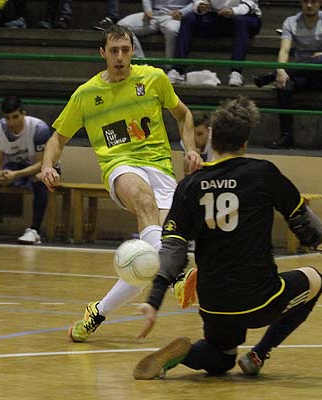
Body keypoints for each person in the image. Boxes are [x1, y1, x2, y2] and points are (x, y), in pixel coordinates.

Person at [131, 96, 322, 380]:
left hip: (214, 304)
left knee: (221, 358)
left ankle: (186, 354)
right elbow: (302, 222)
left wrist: (154, 299)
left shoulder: (190, 185)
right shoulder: (262, 173)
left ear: (212, 137)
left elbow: (173, 247)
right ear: (244, 144)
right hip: (261, 299)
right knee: (316, 279)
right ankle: (259, 354)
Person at [41, 25, 202, 343]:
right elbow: (57, 138)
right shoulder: (86, 94)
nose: (119, 57)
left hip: (160, 169)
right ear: (103, 53)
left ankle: (96, 313)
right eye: (113, 51)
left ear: (132, 51)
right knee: (143, 200)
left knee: (147, 260)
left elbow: (184, 115)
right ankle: (178, 277)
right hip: (120, 168)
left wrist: (191, 148)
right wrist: (48, 165)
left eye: (125, 50)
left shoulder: (154, 79)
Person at [254, 0, 322, 149]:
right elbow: (284, 50)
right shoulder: (291, 22)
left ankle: (270, 76)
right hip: (300, 74)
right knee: (284, 83)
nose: (309, 5)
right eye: (306, 1)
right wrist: (281, 70)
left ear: (320, 3)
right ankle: (286, 136)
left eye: (313, 1)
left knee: (320, 60)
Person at [0, 95, 54, 244]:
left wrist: (16, 174)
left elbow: (41, 163)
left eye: (15, 117)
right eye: (7, 118)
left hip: (42, 166)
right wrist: (1, 173)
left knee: (40, 177)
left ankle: (34, 230)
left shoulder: (39, 128)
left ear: (23, 114)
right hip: (14, 167)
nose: (11, 122)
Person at [167, 0, 262, 87]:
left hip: (245, 16)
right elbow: (198, 2)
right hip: (216, 16)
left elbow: (249, 5)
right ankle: (177, 69)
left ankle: (236, 72)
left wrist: (233, 11)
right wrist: (200, 6)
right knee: (188, 19)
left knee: (240, 21)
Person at [116, 0, 193, 62]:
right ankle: (142, 64)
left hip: (173, 16)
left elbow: (195, 2)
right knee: (121, 27)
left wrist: (182, 12)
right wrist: (147, 9)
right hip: (154, 14)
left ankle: (170, 68)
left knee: (172, 30)